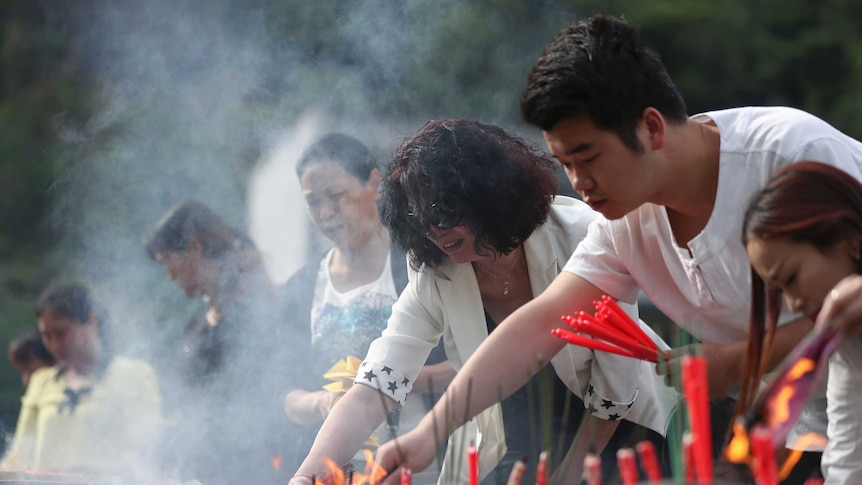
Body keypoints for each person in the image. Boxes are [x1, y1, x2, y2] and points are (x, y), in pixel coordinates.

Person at [373, 14, 862, 483]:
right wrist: (433, 431)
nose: (579, 183)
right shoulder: (625, 220)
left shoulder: (793, 154)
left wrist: (739, 361)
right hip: (807, 429)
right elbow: (542, 325)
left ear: (651, 128)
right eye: (565, 163)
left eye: (588, 157)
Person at [290, 119, 677, 485]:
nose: (435, 231)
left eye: (444, 211)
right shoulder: (433, 269)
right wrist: (308, 472)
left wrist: (568, 475)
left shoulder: (582, 235)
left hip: (625, 429)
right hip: (518, 442)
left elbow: (617, 386)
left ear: (489, 196)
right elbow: (378, 383)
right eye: (420, 219)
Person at [280, 133, 453, 482]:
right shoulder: (301, 287)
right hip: (339, 469)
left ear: (374, 184)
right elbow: (284, 392)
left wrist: (395, 380)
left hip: (424, 463)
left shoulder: (420, 263)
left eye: (335, 196)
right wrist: (323, 403)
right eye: (313, 202)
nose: (326, 213)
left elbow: (472, 361)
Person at [144, 200, 287, 485]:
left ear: (195, 248)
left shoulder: (252, 315)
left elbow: (248, 402)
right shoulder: (198, 321)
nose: (169, 276)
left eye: (167, 262)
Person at [742, 161, 862, 484]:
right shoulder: (847, 346)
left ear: (851, 241)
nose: (793, 304)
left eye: (792, 278)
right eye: (780, 291)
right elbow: (847, 459)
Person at [0, 283, 162, 477]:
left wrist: (87, 471)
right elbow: (19, 456)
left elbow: (149, 454)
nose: (54, 345)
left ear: (92, 321)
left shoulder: (133, 375)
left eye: (62, 333)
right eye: (46, 336)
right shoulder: (42, 382)